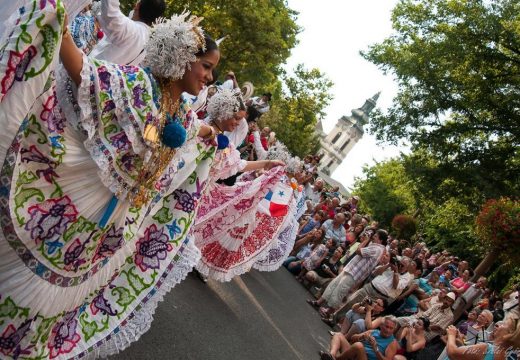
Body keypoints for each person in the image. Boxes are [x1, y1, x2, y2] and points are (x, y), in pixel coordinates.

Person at [0, 3, 222, 358]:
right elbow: (84, 72)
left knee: (68, 281)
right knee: (34, 255)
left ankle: (24, 342)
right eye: (206, 67)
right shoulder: (139, 84)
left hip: (111, 219)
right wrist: (59, 23)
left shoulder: (180, 111)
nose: (209, 77)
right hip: (80, 197)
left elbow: (195, 130)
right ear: (182, 58)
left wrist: (213, 133)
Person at [308, 229, 387, 313]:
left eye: (375, 236)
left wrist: (366, 240)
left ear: (380, 240)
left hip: (355, 274)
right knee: (333, 285)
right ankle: (318, 303)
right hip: (351, 269)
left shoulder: (377, 249)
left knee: (339, 291)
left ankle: (329, 312)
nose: (373, 237)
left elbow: (358, 251)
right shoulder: (375, 246)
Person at [90, 0, 166, 65]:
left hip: (88, 71)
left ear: (137, 6)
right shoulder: (149, 41)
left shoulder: (133, 30)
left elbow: (110, 12)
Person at [320, 316, 399, 360]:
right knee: (338, 335)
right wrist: (362, 337)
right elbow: (352, 338)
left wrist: (376, 349)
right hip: (353, 355)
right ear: (381, 325)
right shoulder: (374, 332)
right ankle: (331, 355)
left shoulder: (392, 342)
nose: (388, 330)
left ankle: (336, 359)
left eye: (391, 328)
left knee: (359, 346)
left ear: (394, 329)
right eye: (386, 326)